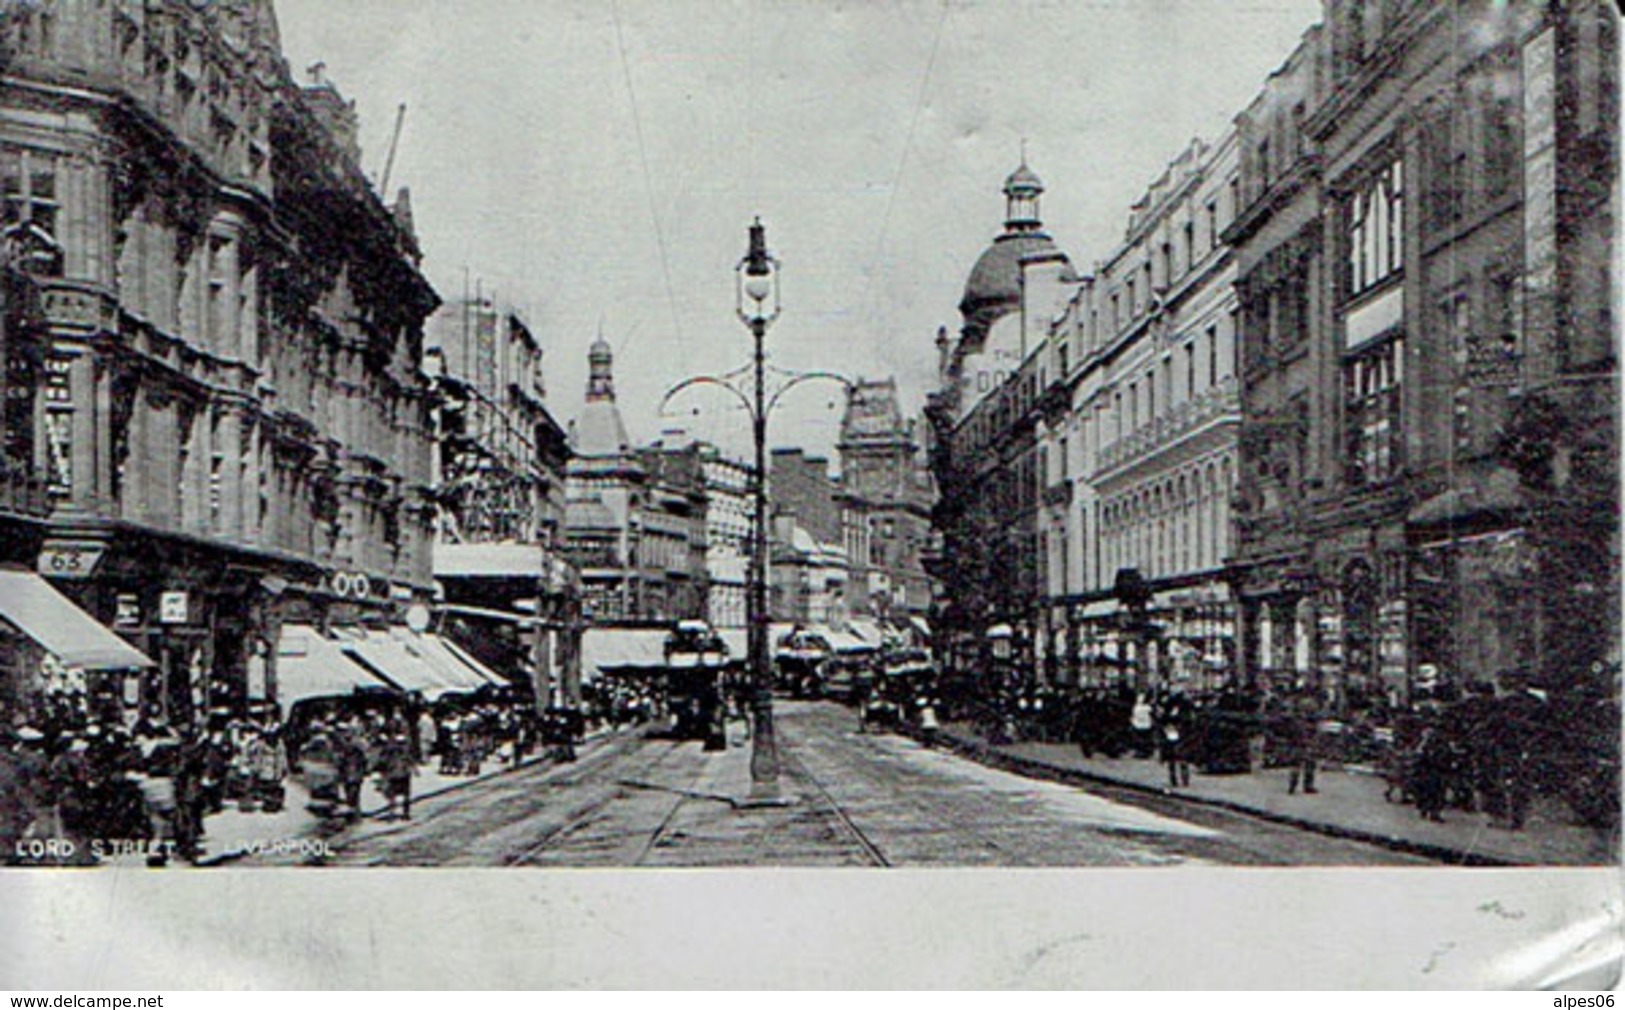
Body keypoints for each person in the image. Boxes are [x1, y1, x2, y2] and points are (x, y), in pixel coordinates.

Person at [377, 728, 414, 820]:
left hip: (393, 773)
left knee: (392, 794)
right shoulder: (407, 747)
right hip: (404, 773)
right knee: (406, 794)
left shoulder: (389, 748)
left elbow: (382, 760)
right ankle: (406, 813)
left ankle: (392, 813)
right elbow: (410, 759)